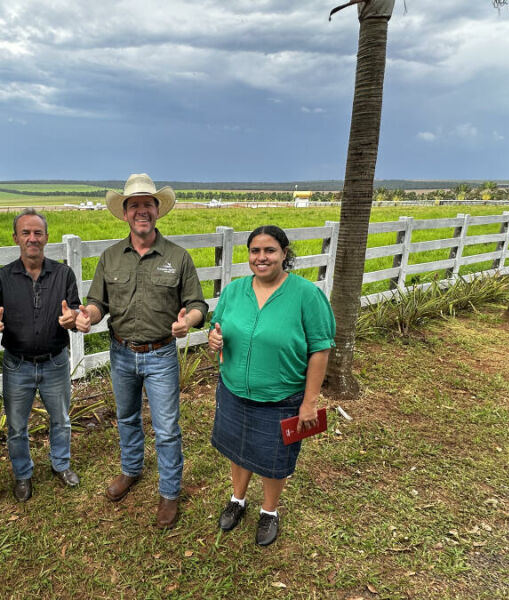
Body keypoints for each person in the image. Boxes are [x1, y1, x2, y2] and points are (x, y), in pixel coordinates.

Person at [75, 173, 208, 529]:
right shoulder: (110, 258)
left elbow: (197, 304)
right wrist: (86, 316)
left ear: (157, 210)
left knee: (166, 429)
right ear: (125, 213)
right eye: (134, 205)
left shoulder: (178, 257)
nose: (141, 211)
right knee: (128, 418)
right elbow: (97, 302)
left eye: (147, 204)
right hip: (121, 352)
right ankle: (131, 470)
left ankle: (169, 492)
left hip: (161, 354)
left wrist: (188, 322)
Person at [207, 225, 335, 546]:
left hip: (282, 396)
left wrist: (309, 402)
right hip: (235, 390)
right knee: (238, 449)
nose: (261, 257)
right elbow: (217, 327)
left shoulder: (306, 295)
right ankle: (237, 500)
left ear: (284, 254)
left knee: (273, 459)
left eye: (269, 251)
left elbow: (320, 349)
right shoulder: (235, 290)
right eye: (255, 251)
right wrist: (214, 338)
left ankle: (269, 511)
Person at [0, 208, 81, 502]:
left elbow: (75, 306)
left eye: (37, 233)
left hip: (55, 361)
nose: (32, 238)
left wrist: (72, 317)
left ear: (46, 238)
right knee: (17, 426)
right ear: (16, 238)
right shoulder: (1, 277)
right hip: (17, 364)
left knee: (60, 419)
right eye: (26, 233)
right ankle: (23, 474)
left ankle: (61, 464)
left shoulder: (63, 274)